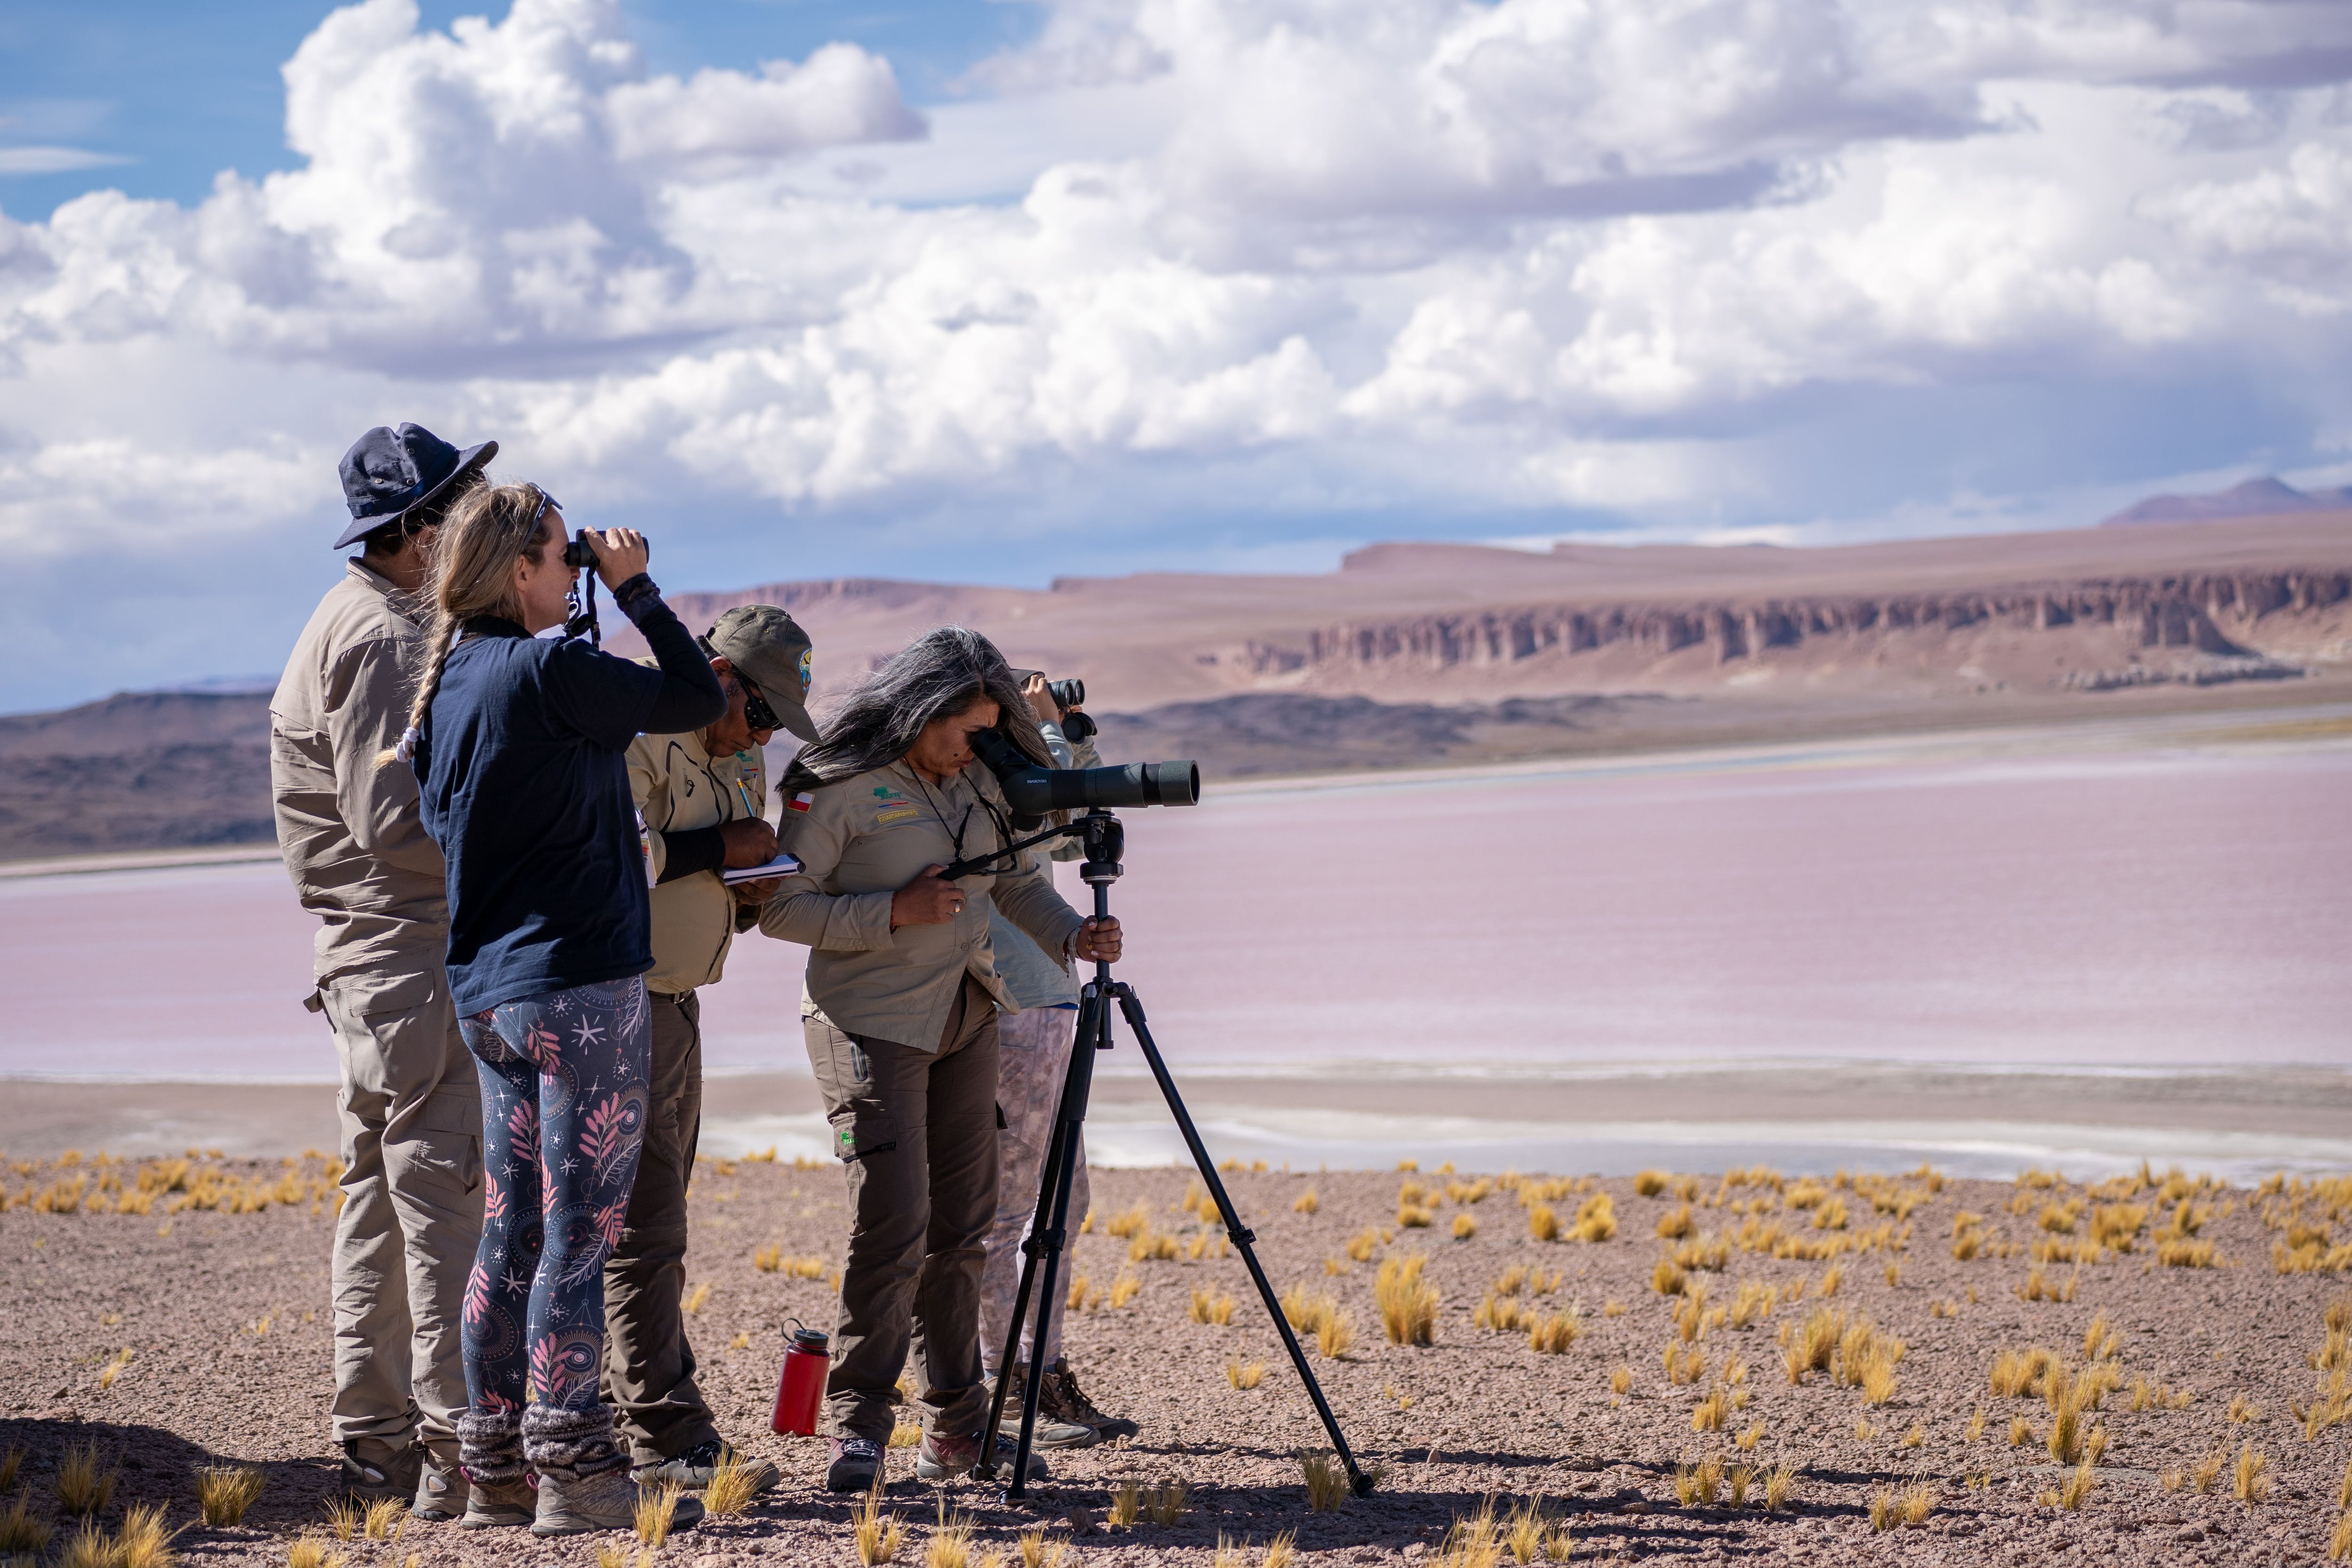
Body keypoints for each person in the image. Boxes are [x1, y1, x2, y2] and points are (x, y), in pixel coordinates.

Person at [401, 481, 727, 1535]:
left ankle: (493, 1467)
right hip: (581, 989)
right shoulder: (549, 667)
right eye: (558, 554)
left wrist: (593, 592)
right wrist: (636, 589)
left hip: (491, 994)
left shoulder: (448, 682)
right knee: (582, 1236)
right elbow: (695, 697)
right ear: (518, 572)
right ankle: (576, 1468)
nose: (568, 566)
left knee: (513, 1233)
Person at [757, 628, 1122, 1493]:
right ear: (922, 711)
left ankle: (958, 1431)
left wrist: (1073, 933)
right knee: (894, 1226)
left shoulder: (977, 784)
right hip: (868, 1023)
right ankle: (858, 1426)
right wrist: (895, 909)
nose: (976, 747)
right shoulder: (834, 788)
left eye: (991, 730)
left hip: (966, 1015)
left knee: (965, 1227)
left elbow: (1013, 880)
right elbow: (777, 906)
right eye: (966, 728)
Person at [270, 422, 496, 1514]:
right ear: (419, 528)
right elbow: (395, 819)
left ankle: (379, 1442)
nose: (482, 522)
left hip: (377, 962)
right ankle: (464, 1453)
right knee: (446, 1199)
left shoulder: (365, 619)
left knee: (383, 1194)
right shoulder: (383, 636)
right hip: (410, 955)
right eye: (463, 506)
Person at [608, 605, 818, 1493]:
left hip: (679, 1000)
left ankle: (631, 1419)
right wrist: (714, 849)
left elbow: (714, 868)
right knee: (644, 1227)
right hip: (619, 1001)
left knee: (656, 1221)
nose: (762, 737)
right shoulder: (638, 728)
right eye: (759, 714)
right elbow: (607, 853)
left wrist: (748, 885)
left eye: (775, 724)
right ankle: (665, 1434)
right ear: (719, 675)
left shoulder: (739, 748)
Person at [977, 674, 1140, 1449]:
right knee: (1010, 1212)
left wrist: (1070, 729)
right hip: (1013, 1004)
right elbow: (1036, 803)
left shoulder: (1023, 766)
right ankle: (1005, 1386)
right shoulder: (981, 775)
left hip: (1048, 998)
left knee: (1063, 1206)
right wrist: (1043, 729)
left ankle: (1044, 1370)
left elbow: (1072, 833)